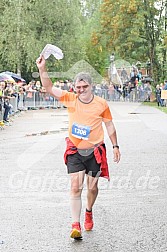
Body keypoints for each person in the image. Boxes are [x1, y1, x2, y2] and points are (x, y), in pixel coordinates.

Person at [36, 56, 121, 240]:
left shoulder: (101, 104)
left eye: (85, 87)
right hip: (75, 149)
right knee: (75, 186)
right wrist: (42, 69)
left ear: (91, 86)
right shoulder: (70, 99)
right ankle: (76, 225)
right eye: (78, 87)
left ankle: (89, 211)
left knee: (92, 187)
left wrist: (115, 145)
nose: (81, 90)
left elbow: (109, 125)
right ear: (75, 88)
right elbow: (49, 87)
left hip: (95, 150)